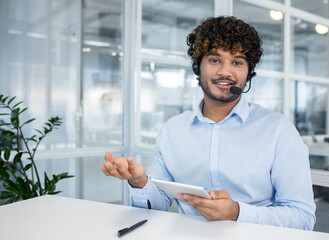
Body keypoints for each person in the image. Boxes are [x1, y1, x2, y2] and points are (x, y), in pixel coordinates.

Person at [101, 16, 316, 230]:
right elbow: (158, 203)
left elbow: (302, 217)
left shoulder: (278, 130)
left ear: (248, 71)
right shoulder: (173, 130)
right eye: (214, 60)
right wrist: (140, 182)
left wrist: (237, 213)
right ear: (198, 66)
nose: (225, 71)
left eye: (237, 62)